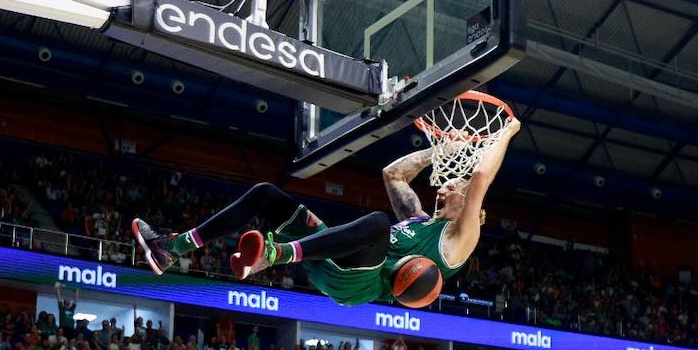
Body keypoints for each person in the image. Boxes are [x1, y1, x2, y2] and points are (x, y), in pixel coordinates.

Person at [131, 119, 521, 308]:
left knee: (378, 224)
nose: (443, 186)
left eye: (454, 186)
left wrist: (505, 132)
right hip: (330, 258)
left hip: (359, 284)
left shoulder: (459, 240)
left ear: (475, 210)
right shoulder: (419, 219)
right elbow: (393, 173)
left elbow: (483, 175)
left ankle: (273, 256)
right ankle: (171, 248)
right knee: (267, 195)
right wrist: (438, 153)